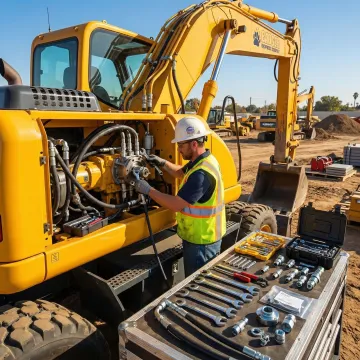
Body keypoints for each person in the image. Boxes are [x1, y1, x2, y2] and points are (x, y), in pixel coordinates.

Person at [134, 116, 226, 277]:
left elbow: (176, 204)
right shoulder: (204, 160)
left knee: (197, 287)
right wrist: (161, 162)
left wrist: (148, 190)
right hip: (202, 237)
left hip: (201, 243)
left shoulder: (201, 175)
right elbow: (180, 172)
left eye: (181, 145)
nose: (178, 149)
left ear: (194, 144)